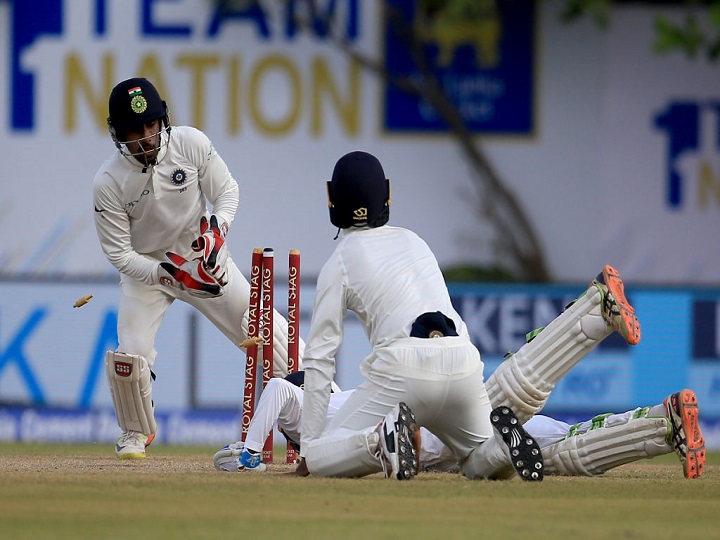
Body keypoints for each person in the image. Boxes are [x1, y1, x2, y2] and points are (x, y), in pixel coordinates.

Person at [293, 150, 642, 482]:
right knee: (477, 459)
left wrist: (309, 448)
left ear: (331, 199)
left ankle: (381, 440)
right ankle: (503, 447)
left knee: (323, 455)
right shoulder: (414, 241)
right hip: (461, 361)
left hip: (403, 373)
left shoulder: (338, 263)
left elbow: (320, 359)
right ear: (387, 196)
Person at [92, 77, 301, 460]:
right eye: (134, 131)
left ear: (162, 121)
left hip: (204, 260)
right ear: (118, 134)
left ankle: (326, 408)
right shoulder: (108, 181)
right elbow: (120, 255)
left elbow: (227, 192)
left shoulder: (190, 144)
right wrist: (165, 274)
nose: (145, 137)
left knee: (266, 330)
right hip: (147, 272)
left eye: (151, 126)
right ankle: (135, 432)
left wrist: (217, 231)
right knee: (130, 355)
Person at [213, 372, 705, 480]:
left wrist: (251, 451)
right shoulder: (338, 407)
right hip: (441, 432)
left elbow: (277, 387)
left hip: (415, 431)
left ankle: (658, 427)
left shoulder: (318, 406)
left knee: (550, 450)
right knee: (558, 445)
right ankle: (660, 421)